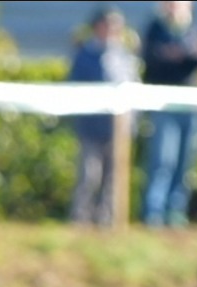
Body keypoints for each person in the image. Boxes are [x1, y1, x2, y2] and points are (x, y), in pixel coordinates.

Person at [140, 0, 197, 227]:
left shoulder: (196, 29)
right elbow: (152, 61)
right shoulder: (155, 28)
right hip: (164, 106)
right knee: (162, 161)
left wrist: (183, 55)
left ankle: (175, 212)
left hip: (191, 107)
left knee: (185, 162)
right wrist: (178, 56)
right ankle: (153, 212)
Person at [67, 5, 139, 226]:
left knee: (114, 178)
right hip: (91, 127)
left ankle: (108, 221)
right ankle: (81, 219)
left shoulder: (125, 56)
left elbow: (134, 88)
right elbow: (74, 89)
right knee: (90, 175)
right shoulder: (85, 55)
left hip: (118, 129)